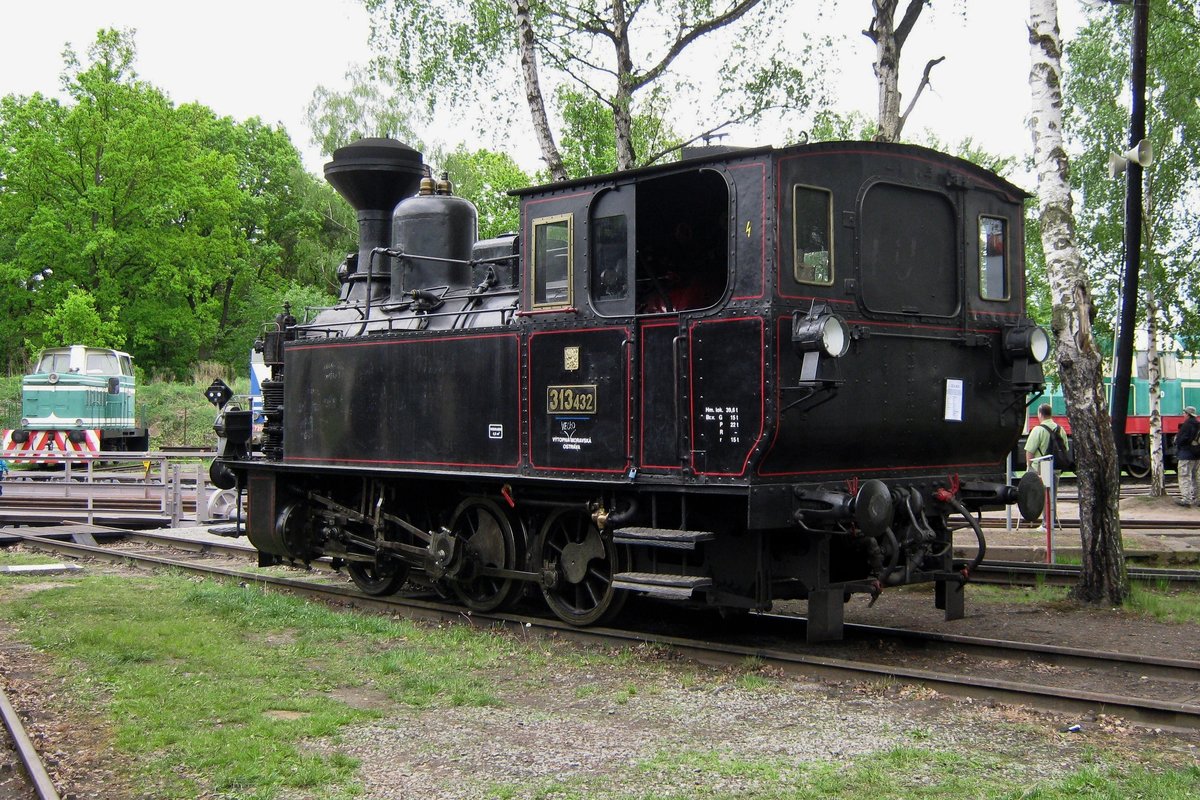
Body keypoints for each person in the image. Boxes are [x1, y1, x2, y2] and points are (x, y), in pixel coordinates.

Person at [1025, 403, 1067, 469]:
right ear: (1050, 414)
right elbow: (1066, 449)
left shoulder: (1037, 430)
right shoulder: (1061, 429)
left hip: (1040, 469)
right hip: (1056, 468)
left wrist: (1029, 467)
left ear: (1040, 414)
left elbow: (1030, 451)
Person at [1176, 406, 1199, 507]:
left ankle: (1186, 499)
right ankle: (1198, 499)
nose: (1183, 415)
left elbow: (1181, 440)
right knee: (1196, 477)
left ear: (1188, 414)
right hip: (1197, 455)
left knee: (1185, 476)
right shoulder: (1198, 425)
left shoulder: (1186, 425)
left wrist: (1177, 442)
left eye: (1184, 413)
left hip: (1186, 455)